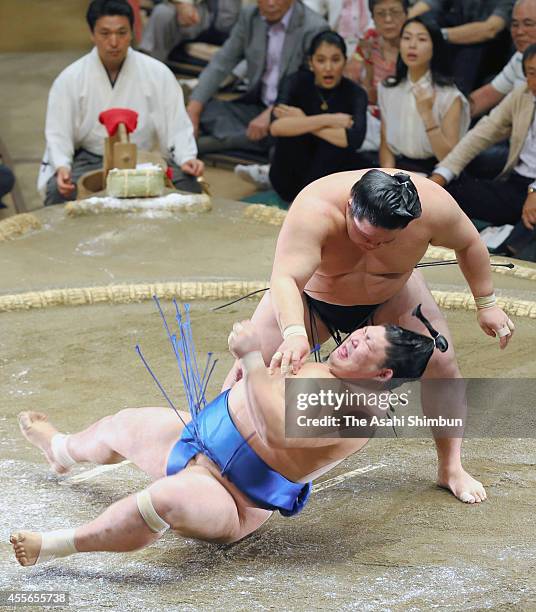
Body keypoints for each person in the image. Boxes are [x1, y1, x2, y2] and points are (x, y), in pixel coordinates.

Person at [10, 316, 441, 567]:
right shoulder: (322, 365)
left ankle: (55, 545)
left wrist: (252, 360)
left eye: (365, 345)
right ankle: (60, 449)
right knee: (122, 424)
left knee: (165, 498)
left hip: (229, 497)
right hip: (198, 438)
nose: (351, 342)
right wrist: (255, 366)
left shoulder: (360, 414)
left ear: (383, 375)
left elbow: (276, 428)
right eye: (360, 334)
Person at [223, 168, 515, 505]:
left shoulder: (434, 206)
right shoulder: (314, 208)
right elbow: (286, 278)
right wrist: (293, 333)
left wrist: (486, 303)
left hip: (392, 293)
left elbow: (469, 243)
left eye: (385, 241)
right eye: (365, 236)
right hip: (312, 299)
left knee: (441, 363)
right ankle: (215, 459)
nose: (373, 246)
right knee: (246, 369)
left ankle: (450, 467)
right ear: (350, 206)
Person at [39, 0, 204, 206]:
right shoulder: (70, 78)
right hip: (92, 159)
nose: (114, 42)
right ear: (92, 34)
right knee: (58, 192)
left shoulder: (157, 73)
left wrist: (186, 157)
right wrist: (62, 165)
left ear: (132, 33)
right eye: (105, 33)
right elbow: (58, 132)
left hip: (143, 160)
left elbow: (176, 125)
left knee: (189, 186)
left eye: (122, 32)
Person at [186, 0, 328, 157]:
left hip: (291, 111)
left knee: (286, 136)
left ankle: (213, 144)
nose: (271, 3)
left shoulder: (314, 27)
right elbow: (222, 61)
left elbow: (307, 85)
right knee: (205, 109)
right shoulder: (250, 16)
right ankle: (250, 140)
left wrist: (272, 113)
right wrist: (193, 111)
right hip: (256, 106)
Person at [246, 31, 368, 203]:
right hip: (288, 181)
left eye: (335, 60)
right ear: (311, 63)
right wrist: (329, 120)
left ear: (344, 62)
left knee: (341, 152)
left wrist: (301, 120)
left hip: (329, 184)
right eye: (321, 60)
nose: (328, 67)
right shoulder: (295, 82)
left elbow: (354, 140)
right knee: (296, 136)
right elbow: (276, 127)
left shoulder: (356, 93)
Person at [430, 44, 536, 232]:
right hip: (516, 182)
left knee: (524, 234)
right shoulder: (522, 94)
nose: (534, 80)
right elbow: (483, 132)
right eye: (531, 73)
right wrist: (442, 174)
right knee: (450, 193)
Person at [378, 16, 470, 174]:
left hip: (435, 174)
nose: (412, 45)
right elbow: (385, 144)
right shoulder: (387, 88)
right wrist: (387, 178)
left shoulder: (450, 96)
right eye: (406, 38)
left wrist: (427, 115)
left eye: (421, 39)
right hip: (396, 173)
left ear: (435, 47)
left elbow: (449, 159)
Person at [464, 0, 536, 180]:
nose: (519, 32)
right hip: (519, 149)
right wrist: (444, 113)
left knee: (477, 162)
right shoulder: (520, 58)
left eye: (528, 24)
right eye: (515, 24)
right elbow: (485, 97)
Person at [408, 0, 515, 94]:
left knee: (473, 46)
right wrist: (407, 27)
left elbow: (490, 30)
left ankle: (456, 97)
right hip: (453, 43)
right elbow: (424, 7)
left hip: (489, 55)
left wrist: (437, 35)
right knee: (426, 19)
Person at [138, 0, 242, 63]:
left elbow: (226, 22)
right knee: (163, 13)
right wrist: (181, 4)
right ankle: (146, 65)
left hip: (208, 21)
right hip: (173, 12)